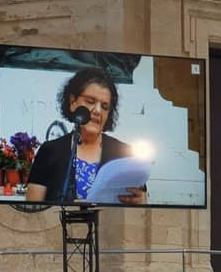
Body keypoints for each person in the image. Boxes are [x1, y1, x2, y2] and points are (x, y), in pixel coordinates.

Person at [26, 68, 147, 205]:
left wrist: (141, 201)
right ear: (73, 102)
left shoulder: (125, 154)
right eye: (90, 101)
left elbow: (140, 205)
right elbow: (33, 211)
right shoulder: (49, 151)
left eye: (105, 107)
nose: (97, 110)